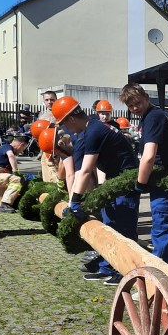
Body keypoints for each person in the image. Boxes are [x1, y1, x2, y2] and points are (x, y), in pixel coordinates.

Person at [53, 96, 140, 286]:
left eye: (64, 124)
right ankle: (108, 267)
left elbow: (85, 170)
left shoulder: (94, 131)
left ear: (71, 118)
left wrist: (75, 201)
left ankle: (127, 271)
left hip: (126, 182)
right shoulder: (89, 129)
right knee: (109, 225)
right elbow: (84, 169)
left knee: (124, 228)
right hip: (113, 180)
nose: (66, 129)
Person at [119, 83, 168, 267]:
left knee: (162, 229)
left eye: (138, 103)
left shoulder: (153, 117)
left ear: (146, 97)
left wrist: (140, 184)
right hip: (166, 179)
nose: (135, 108)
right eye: (131, 106)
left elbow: (149, 156)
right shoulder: (149, 117)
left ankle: (158, 277)